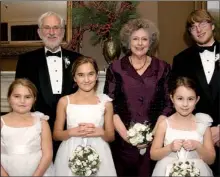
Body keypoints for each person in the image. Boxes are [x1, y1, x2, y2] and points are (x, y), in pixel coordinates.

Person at [103, 18, 173, 177]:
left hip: (155, 142)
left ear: (151, 42)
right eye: (135, 39)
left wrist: (152, 135)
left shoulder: (163, 67)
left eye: (144, 39)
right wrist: (127, 137)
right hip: (122, 143)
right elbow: (109, 105)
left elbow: (168, 104)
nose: (140, 43)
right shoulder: (116, 68)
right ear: (128, 41)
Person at [15, 11, 81, 159]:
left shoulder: (77, 59)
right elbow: (19, 97)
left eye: (56, 27)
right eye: (47, 28)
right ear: (39, 32)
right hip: (36, 130)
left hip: (70, 129)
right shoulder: (26, 60)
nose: (52, 32)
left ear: (63, 32)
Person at [171, 9, 219, 175]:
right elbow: (177, 99)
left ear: (212, 25)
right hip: (194, 138)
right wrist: (201, 132)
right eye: (193, 27)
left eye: (203, 23)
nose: (199, 29)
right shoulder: (180, 60)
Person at [53, 56, 117, 176]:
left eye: (90, 74)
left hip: (100, 153)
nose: (86, 79)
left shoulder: (105, 102)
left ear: (97, 76)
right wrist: (71, 132)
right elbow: (56, 135)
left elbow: (111, 136)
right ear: (74, 78)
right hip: (69, 152)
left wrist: (100, 132)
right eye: (81, 75)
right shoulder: (65, 101)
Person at [151, 76, 215, 176]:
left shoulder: (203, 125)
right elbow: (153, 155)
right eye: (180, 98)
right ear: (172, 98)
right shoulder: (164, 124)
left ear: (197, 99)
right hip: (166, 171)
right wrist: (169, 148)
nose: (185, 104)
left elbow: (211, 159)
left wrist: (198, 146)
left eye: (190, 99)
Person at [1, 78, 54, 176]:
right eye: (17, 96)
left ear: (34, 99)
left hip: (38, 172)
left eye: (27, 97)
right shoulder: (1, 122)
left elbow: (48, 154)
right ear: (9, 98)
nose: (22, 101)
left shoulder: (42, 122)